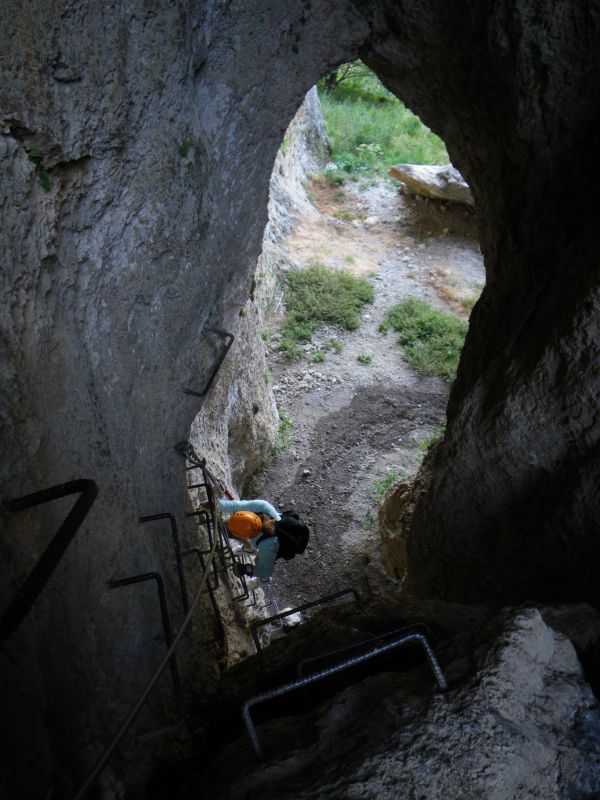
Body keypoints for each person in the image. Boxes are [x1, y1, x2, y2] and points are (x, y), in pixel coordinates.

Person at [217, 497, 309, 580]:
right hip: (267, 537)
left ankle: (260, 581)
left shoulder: (267, 546)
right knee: (225, 527)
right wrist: (217, 504)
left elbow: (266, 571)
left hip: (279, 545)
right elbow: (235, 506)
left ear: (246, 536)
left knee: (259, 561)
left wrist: (246, 569)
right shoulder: (261, 506)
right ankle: (248, 549)